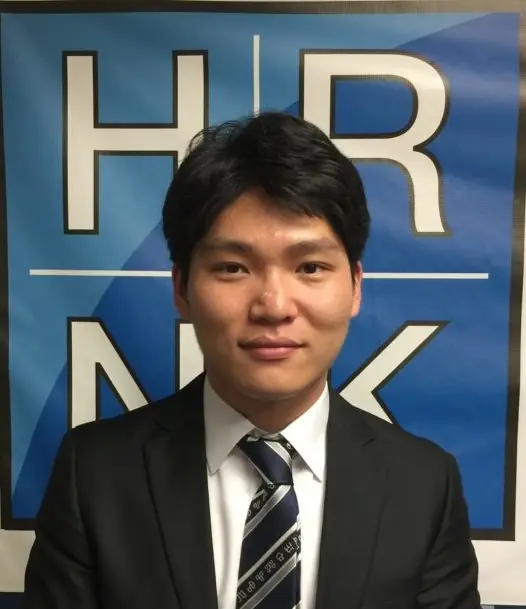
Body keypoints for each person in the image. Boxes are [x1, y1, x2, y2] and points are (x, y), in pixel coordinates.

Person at [23, 112, 481, 609]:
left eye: (310, 267)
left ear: (354, 287)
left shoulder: (423, 485)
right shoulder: (95, 475)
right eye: (233, 268)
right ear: (182, 289)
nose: (274, 306)